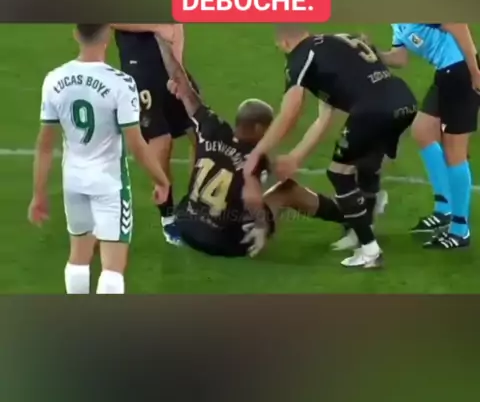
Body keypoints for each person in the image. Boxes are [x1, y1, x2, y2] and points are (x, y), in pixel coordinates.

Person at [157, 36, 383, 259]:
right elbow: (253, 198)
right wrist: (261, 225)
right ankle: (353, 217)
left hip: (187, 227)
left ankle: (352, 216)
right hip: (224, 242)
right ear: (258, 128)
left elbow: (182, 83)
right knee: (287, 190)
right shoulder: (255, 157)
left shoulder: (209, 126)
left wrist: (162, 42)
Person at [243, 26, 418, 269]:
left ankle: (369, 250)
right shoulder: (333, 46)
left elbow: (290, 112)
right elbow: (324, 119)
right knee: (367, 163)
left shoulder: (301, 57)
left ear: (283, 41)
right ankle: (362, 227)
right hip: (404, 101)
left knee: (339, 174)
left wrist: (258, 152)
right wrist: (296, 156)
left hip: (373, 110)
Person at [28, 24, 170, 294]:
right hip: (109, 184)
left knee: (78, 256)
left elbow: (44, 145)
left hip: (74, 181)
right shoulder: (121, 83)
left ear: (76, 34)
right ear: (107, 35)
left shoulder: (54, 79)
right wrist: (161, 180)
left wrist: (38, 194)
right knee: (113, 266)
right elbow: (137, 145)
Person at [379, 23, 480, 249]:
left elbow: (458, 24)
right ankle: (444, 208)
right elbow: (400, 58)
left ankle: (460, 230)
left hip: (461, 71)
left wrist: (475, 72)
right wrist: (374, 54)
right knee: (422, 130)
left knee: (455, 152)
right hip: (445, 73)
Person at [112, 23, 196, 246]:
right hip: (140, 72)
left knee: (200, 132)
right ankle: (168, 217)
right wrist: (155, 26)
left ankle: (195, 203)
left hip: (168, 65)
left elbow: (176, 24)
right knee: (161, 140)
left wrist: (178, 68)